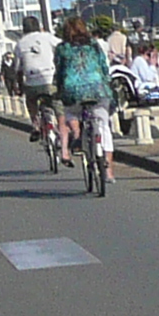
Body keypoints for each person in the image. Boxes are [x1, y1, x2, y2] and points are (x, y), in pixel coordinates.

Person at [54, 14, 117, 196]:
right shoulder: (94, 45)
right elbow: (104, 68)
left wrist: (59, 89)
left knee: (71, 114)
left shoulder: (62, 48)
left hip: (73, 90)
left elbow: (60, 71)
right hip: (98, 89)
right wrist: (106, 85)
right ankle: (109, 170)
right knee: (104, 126)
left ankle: (78, 134)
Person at [16, 21, 63, 167]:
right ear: (39, 27)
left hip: (31, 82)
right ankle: (62, 134)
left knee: (30, 101)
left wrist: (19, 86)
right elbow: (62, 48)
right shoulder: (48, 37)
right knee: (59, 108)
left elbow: (18, 69)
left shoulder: (20, 43)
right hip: (50, 80)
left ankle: (36, 125)